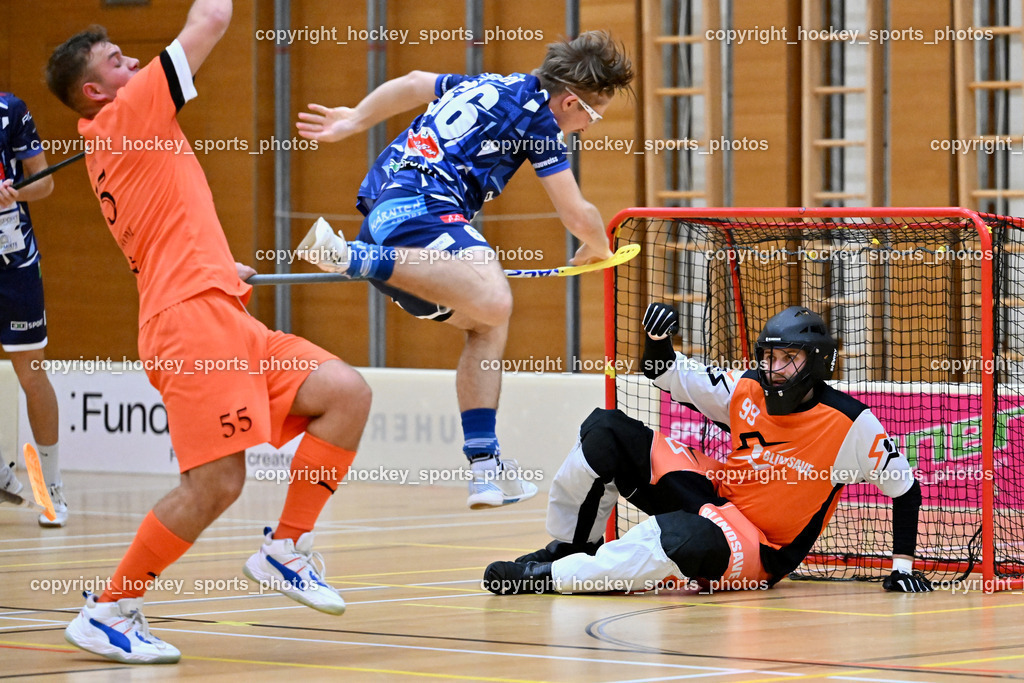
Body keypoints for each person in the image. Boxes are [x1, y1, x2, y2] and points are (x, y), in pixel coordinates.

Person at [46, 0, 371, 664]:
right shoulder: (129, 114)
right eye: (117, 62)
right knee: (216, 484)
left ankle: (286, 549)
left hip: (219, 307)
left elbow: (168, 219)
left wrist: (217, 265)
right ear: (94, 91)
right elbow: (213, 17)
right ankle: (110, 608)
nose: (134, 62)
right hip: (190, 323)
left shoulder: (125, 128)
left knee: (345, 393)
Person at [294, 31, 633, 510]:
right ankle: (352, 257)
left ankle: (484, 465)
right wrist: (600, 248)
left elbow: (413, 82)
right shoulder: (535, 118)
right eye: (590, 116)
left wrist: (355, 119)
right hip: (425, 209)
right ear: (570, 100)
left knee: (489, 324)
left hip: (390, 222)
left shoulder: (487, 83)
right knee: (495, 299)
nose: (585, 129)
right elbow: (578, 213)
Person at [483, 304, 934, 596]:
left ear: (815, 362)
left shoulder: (853, 423)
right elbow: (665, 372)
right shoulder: (747, 387)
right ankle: (570, 547)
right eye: (768, 357)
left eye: (788, 359)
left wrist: (901, 566)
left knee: (674, 536)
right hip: (715, 498)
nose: (774, 369)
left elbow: (905, 490)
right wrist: (658, 341)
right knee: (606, 429)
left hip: (759, 547)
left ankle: (551, 579)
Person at [0, 92, 69, 527]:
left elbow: (44, 181)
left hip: (15, 262)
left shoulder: (11, 111)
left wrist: (16, 193)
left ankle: (52, 491)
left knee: (31, 373)